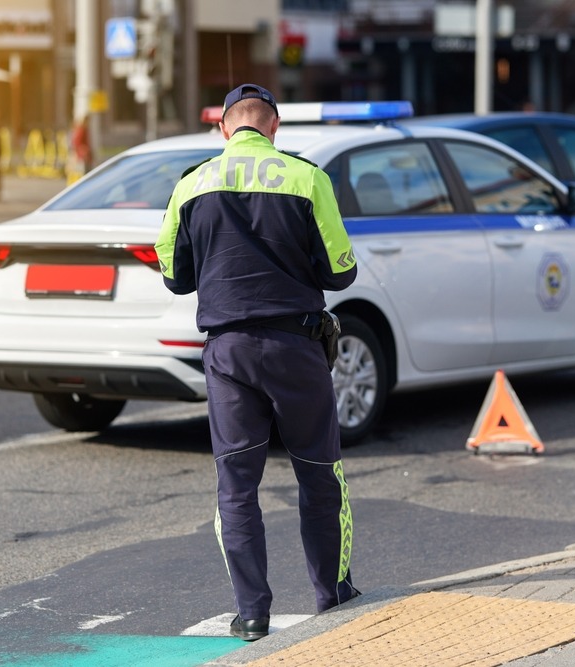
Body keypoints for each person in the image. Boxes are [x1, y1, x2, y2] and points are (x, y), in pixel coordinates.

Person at [154, 84, 359, 641]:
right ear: (273, 127)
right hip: (296, 347)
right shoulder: (306, 178)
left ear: (224, 129)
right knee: (320, 471)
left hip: (228, 353)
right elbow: (341, 272)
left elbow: (175, 276)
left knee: (236, 485)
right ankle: (333, 595)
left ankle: (251, 615)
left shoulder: (191, 184)